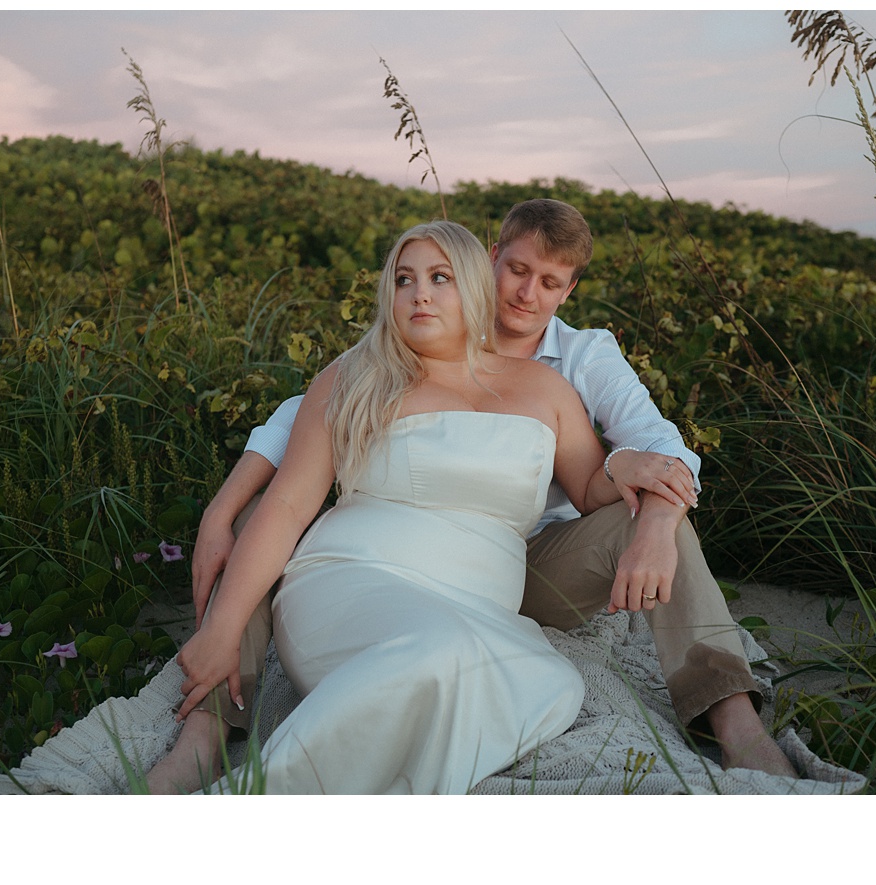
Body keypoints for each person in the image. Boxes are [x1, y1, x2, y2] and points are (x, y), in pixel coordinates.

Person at [191, 199, 797, 779]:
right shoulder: (426, 320)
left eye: (551, 283)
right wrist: (221, 510)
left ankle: (735, 723)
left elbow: (654, 452)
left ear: (569, 291)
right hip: (389, 564)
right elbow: (303, 414)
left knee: (659, 516)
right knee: (255, 521)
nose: (528, 294)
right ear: (490, 258)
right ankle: (212, 729)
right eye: (517, 270)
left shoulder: (580, 359)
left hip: (533, 562)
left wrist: (657, 521)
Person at [145, 220, 625, 793]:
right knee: (437, 653)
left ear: (473, 285)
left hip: (479, 612)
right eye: (404, 279)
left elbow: (594, 489)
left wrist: (637, 463)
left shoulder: (545, 390)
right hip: (351, 584)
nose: (419, 292)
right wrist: (223, 628)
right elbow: (286, 508)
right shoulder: (354, 377)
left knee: (550, 686)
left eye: (439, 277)